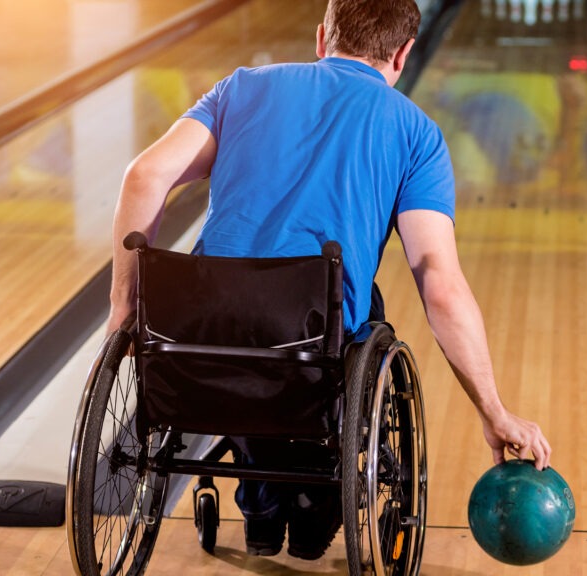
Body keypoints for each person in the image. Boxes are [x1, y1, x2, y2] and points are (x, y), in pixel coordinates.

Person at [106, 0, 552, 561]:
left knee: (243, 321)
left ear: (322, 38)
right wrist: (494, 411)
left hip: (200, 324)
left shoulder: (239, 88)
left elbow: (144, 175)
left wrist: (125, 304)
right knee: (359, 313)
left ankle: (261, 502)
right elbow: (439, 282)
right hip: (311, 338)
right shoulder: (416, 133)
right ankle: (313, 511)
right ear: (405, 53)